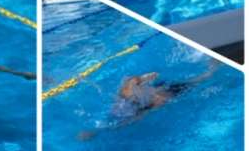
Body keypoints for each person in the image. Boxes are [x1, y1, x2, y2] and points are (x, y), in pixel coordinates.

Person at [78, 61, 219, 139]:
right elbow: (123, 123)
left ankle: (211, 70)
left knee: (197, 80)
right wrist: (95, 132)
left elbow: (130, 82)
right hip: (165, 93)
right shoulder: (146, 104)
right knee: (201, 79)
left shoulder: (127, 95)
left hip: (159, 90)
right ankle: (212, 70)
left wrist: (143, 78)